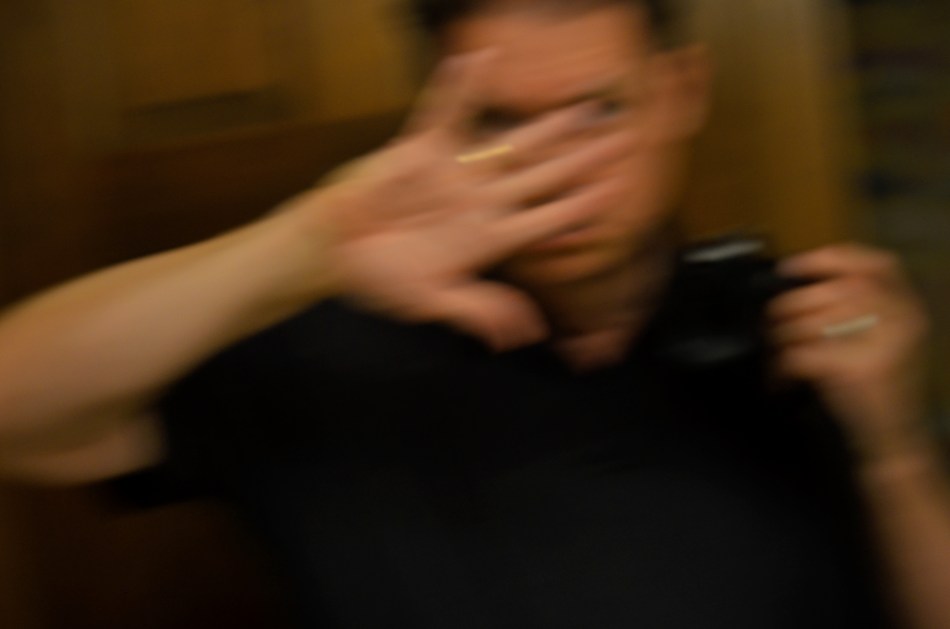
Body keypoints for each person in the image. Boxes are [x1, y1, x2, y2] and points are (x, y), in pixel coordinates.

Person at [0, 0, 948, 626]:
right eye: (500, 123)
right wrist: (308, 240)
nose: (556, 172)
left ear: (680, 92)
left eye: (599, 113)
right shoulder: (322, 346)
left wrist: (894, 447)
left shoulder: (808, 339)